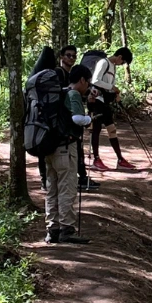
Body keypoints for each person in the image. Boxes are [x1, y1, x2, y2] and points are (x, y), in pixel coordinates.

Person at [37, 45, 100, 193]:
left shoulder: (71, 74)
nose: (71, 58)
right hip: (61, 124)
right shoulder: (58, 74)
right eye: (68, 55)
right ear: (61, 57)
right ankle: (46, 180)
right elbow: (68, 97)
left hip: (66, 122)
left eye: (73, 56)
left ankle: (81, 177)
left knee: (76, 149)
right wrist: (88, 120)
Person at [44, 65, 93, 244]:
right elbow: (76, 118)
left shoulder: (60, 94)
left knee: (52, 189)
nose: (87, 86)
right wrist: (89, 119)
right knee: (67, 187)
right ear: (82, 80)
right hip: (65, 148)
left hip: (49, 147)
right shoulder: (73, 94)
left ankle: (52, 229)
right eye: (87, 82)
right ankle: (67, 229)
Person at [86, 46, 135, 171]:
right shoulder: (104, 62)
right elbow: (96, 80)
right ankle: (96, 159)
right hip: (96, 100)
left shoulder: (112, 66)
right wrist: (112, 87)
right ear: (119, 57)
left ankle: (120, 160)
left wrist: (113, 93)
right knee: (96, 130)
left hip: (104, 102)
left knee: (111, 129)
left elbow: (107, 85)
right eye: (123, 62)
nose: (121, 64)